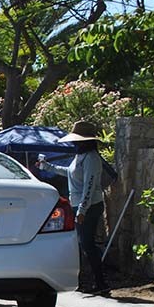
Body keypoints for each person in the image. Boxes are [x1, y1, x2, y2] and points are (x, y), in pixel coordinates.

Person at [38, 121, 109, 294]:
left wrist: (82, 210)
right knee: (83, 244)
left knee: (87, 244)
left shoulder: (91, 157)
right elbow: (70, 174)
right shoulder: (80, 157)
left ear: (85, 142)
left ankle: (100, 282)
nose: (74, 144)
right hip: (79, 205)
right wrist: (47, 167)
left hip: (90, 206)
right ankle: (91, 281)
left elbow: (89, 185)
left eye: (77, 141)